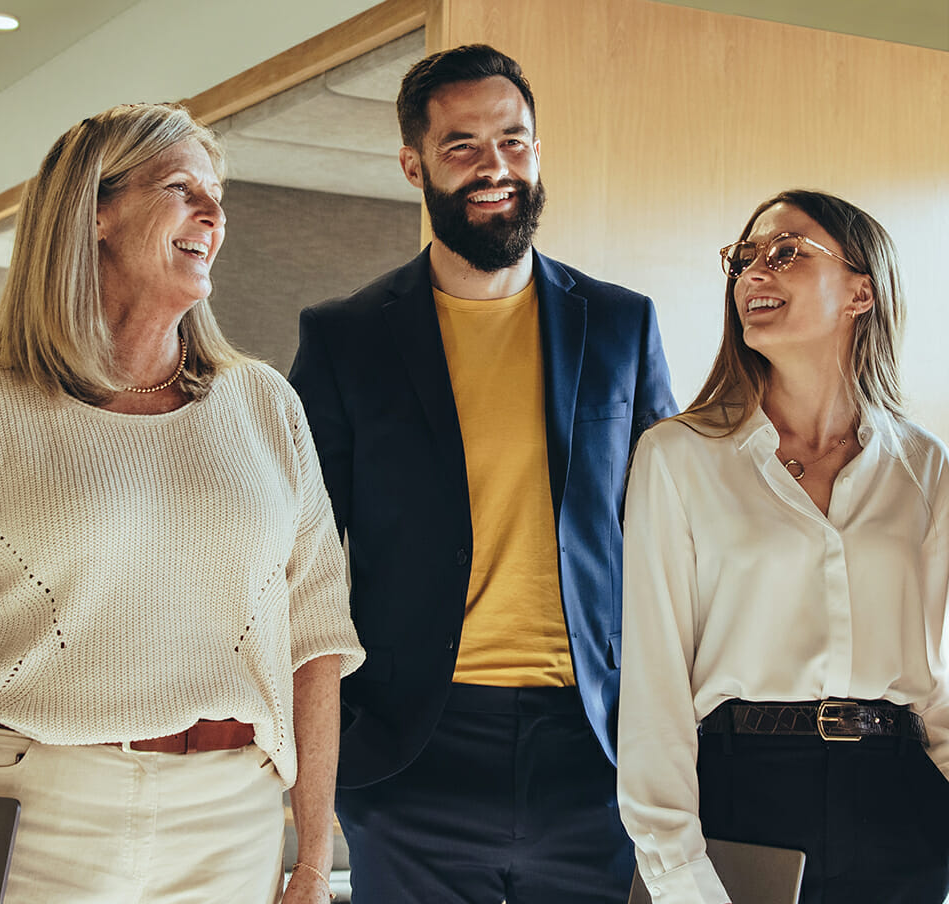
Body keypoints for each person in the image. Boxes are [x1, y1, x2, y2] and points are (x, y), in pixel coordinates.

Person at [0, 102, 364, 904]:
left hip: (230, 815)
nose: (214, 214)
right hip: (31, 810)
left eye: (217, 194)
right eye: (181, 187)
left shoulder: (265, 406)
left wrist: (310, 859)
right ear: (98, 211)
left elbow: (316, 640)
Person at [285, 44, 676, 903]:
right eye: (462, 146)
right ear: (413, 164)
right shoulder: (345, 338)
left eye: (514, 140)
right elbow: (295, 562)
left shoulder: (620, 323)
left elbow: (668, 538)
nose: (495, 166)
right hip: (413, 752)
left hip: (594, 750)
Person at [618, 189, 949, 904]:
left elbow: (941, 679)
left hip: (902, 804)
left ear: (862, 291)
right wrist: (677, 871)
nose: (752, 274)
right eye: (743, 259)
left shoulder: (925, 467)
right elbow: (654, 688)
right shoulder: (678, 457)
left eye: (786, 253)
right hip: (743, 798)